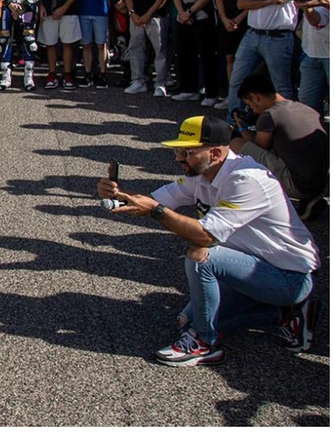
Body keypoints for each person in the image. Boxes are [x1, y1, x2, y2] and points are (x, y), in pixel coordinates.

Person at [98, 115, 321, 366]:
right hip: (251, 268)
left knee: (201, 256)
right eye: (179, 151)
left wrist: (157, 211)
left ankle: (206, 343)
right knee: (185, 321)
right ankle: (283, 314)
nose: (178, 158)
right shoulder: (200, 175)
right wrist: (118, 197)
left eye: (186, 152)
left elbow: (205, 235)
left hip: (288, 276)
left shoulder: (247, 180)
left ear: (214, 153)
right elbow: (152, 200)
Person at [230, 73, 329, 221]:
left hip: (298, 185)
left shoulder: (269, 116)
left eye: (250, 105)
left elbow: (257, 148)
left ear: (255, 97)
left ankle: (249, 199)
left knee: (236, 145)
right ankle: (308, 200)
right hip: (320, 182)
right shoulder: (304, 108)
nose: (253, 110)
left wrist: (241, 128)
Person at [226, 0, 304, 116]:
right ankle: (234, 120)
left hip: (278, 38)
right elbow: (241, 3)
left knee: (280, 85)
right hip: (252, 34)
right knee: (238, 80)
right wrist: (268, 1)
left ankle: (284, 125)